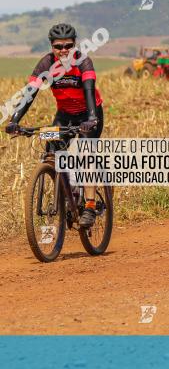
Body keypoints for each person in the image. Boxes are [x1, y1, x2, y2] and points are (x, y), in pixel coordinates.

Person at [5, 24, 104, 227]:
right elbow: (29, 94)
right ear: (52, 46)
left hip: (90, 114)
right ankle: (68, 193)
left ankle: (91, 206)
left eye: (68, 45)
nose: (64, 50)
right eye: (59, 46)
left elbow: (89, 90)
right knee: (52, 151)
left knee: (86, 154)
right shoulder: (46, 64)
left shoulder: (83, 61)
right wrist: (14, 120)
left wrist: (92, 118)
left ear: (75, 44)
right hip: (64, 116)